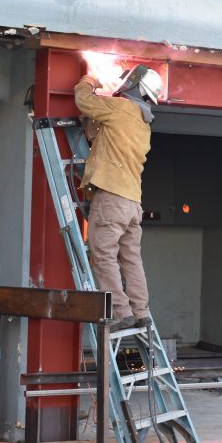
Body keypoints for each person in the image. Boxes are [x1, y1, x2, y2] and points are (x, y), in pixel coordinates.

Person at [74, 64, 163, 332]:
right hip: (133, 203)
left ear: (133, 84)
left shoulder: (120, 108)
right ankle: (141, 311)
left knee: (103, 255)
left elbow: (84, 100)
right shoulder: (143, 123)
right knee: (131, 259)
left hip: (111, 198)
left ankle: (120, 312)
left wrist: (91, 78)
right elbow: (98, 135)